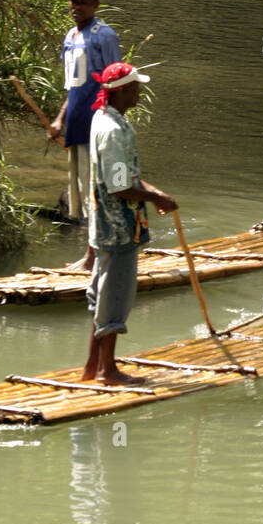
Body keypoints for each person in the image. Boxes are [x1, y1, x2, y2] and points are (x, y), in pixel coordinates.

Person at [82, 62, 177, 386]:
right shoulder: (111, 130)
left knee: (102, 293)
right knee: (115, 295)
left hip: (105, 225)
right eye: (135, 86)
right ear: (122, 90)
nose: (139, 91)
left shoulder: (105, 118)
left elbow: (127, 177)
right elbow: (120, 187)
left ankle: (92, 367)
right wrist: (157, 199)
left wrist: (155, 192)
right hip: (118, 227)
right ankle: (108, 371)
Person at [49, 0, 122, 228]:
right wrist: (60, 119)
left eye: (83, 1)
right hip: (75, 117)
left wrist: (112, 118)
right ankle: (80, 226)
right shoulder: (70, 36)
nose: (77, 6)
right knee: (77, 178)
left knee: (94, 176)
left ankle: (97, 228)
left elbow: (116, 80)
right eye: (74, 1)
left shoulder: (105, 35)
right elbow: (73, 85)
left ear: (95, 5)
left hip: (97, 117)